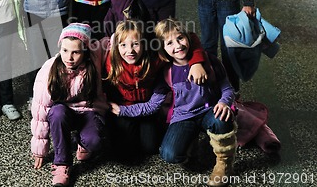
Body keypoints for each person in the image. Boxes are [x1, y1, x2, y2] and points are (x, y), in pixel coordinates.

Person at [110, 18, 236, 187]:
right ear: (163, 49)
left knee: (222, 118)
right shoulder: (165, 72)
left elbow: (227, 88)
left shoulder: (208, 60)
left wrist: (224, 102)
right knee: (169, 154)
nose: (177, 46)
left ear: (188, 37)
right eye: (169, 43)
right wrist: (122, 111)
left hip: (210, 109)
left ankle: (224, 162)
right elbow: (153, 105)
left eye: (180, 38)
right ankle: (190, 139)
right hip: (184, 116)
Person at [103, 19, 208, 161]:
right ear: (117, 46)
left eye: (135, 44)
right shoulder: (111, 60)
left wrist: (196, 62)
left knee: (150, 147)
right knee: (124, 152)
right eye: (123, 45)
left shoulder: (155, 58)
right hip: (123, 107)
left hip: (148, 107)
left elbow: (191, 37)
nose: (130, 51)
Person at [30, 23, 108, 187]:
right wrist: (40, 149)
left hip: (88, 111)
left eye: (75, 52)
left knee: (95, 142)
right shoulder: (50, 68)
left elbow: (111, 41)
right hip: (63, 113)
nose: (69, 57)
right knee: (57, 112)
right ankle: (62, 164)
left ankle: (82, 142)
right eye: (65, 50)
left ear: (85, 51)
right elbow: (40, 110)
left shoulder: (93, 60)